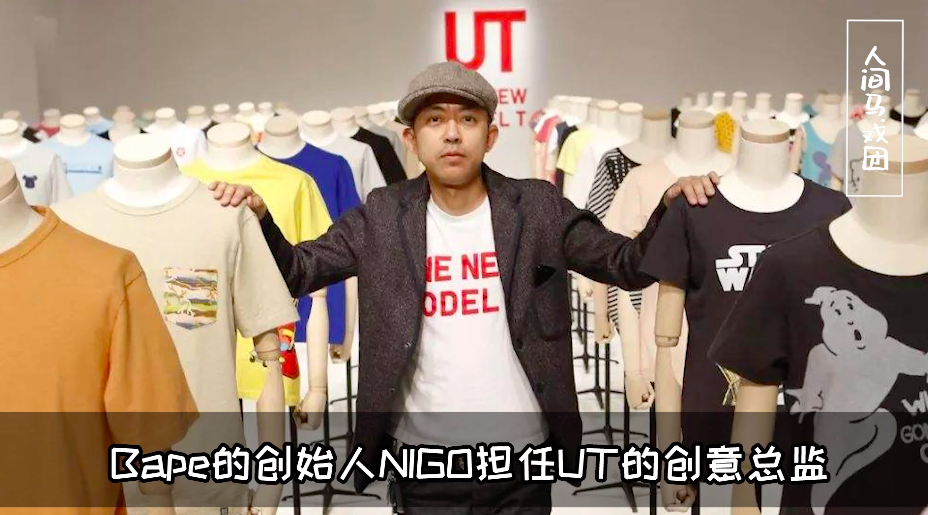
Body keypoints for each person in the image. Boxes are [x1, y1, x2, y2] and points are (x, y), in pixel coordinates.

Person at [209, 61, 719, 514]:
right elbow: (299, 271)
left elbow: (626, 265)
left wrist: (669, 208)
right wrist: (260, 218)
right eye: (434, 120)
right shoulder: (383, 215)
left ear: (490, 136)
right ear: (411, 140)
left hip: (522, 459)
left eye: (468, 119)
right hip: (423, 462)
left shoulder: (536, 207)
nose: (452, 134)